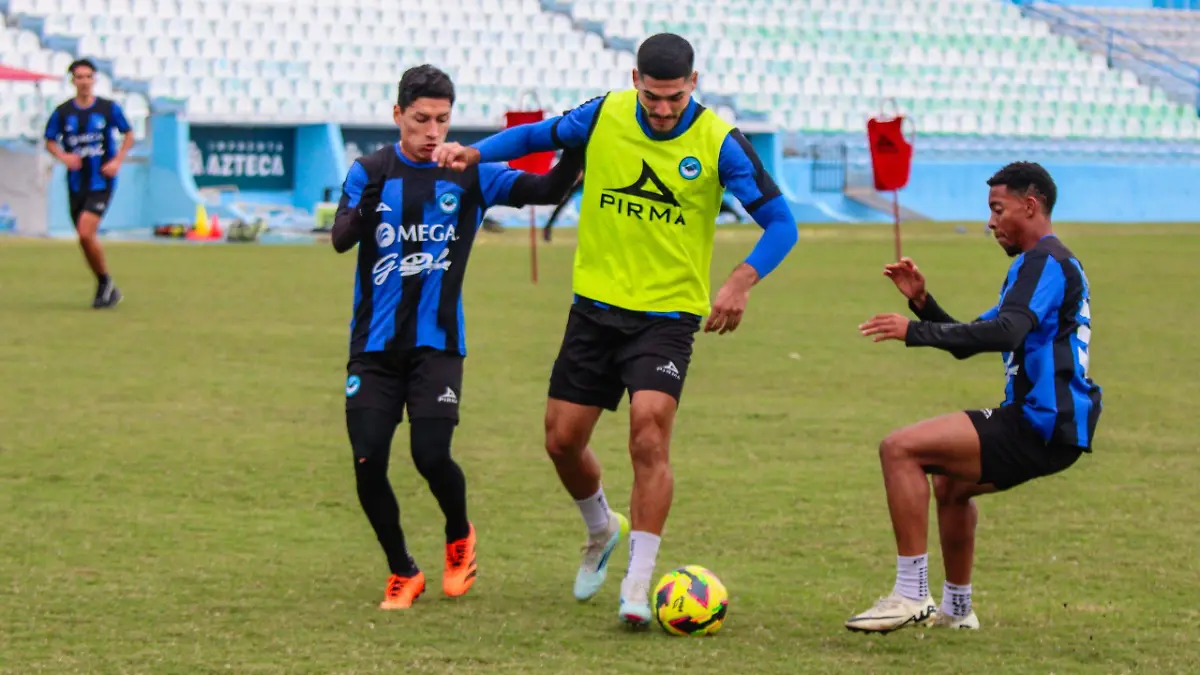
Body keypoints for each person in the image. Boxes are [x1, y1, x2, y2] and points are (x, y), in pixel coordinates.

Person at [432, 33, 799, 626]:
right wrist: (475, 154)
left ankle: (637, 583)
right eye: (653, 97)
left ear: (694, 84)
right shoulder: (604, 114)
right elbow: (537, 135)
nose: (663, 109)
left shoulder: (719, 142)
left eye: (675, 97)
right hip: (594, 310)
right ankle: (602, 528)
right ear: (635, 81)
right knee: (561, 441)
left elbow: (781, 223)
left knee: (648, 433)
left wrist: (741, 280)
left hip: (667, 317)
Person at [331, 64, 584, 610]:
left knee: (430, 455)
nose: (432, 132)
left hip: (438, 344)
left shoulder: (472, 172)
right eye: (420, 119)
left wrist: (577, 144)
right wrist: (368, 206)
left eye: (442, 120)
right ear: (397, 115)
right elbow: (341, 238)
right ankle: (402, 570)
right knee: (367, 462)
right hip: (373, 347)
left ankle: (458, 535)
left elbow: (546, 188)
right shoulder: (369, 171)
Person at [848, 162, 1102, 633]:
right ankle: (958, 610)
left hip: (1040, 422)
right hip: (1054, 425)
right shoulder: (1041, 266)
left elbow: (1005, 333)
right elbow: (972, 338)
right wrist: (922, 304)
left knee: (899, 448)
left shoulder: (1045, 262)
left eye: (998, 209)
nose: (990, 222)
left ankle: (910, 594)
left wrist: (914, 330)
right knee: (951, 484)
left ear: (1031, 205)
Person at [43, 58, 134, 309]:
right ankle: (106, 284)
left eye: (88, 77)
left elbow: (129, 133)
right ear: (73, 81)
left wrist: (117, 160)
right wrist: (63, 156)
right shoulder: (63, 112)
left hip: (101, 182)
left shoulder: (107, 108)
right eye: (79, 77)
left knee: (85, 232)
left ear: (94, 80)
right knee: (84, 239)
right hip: (76, 184)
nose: (84, 81)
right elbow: (49, 140)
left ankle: (105, 284)